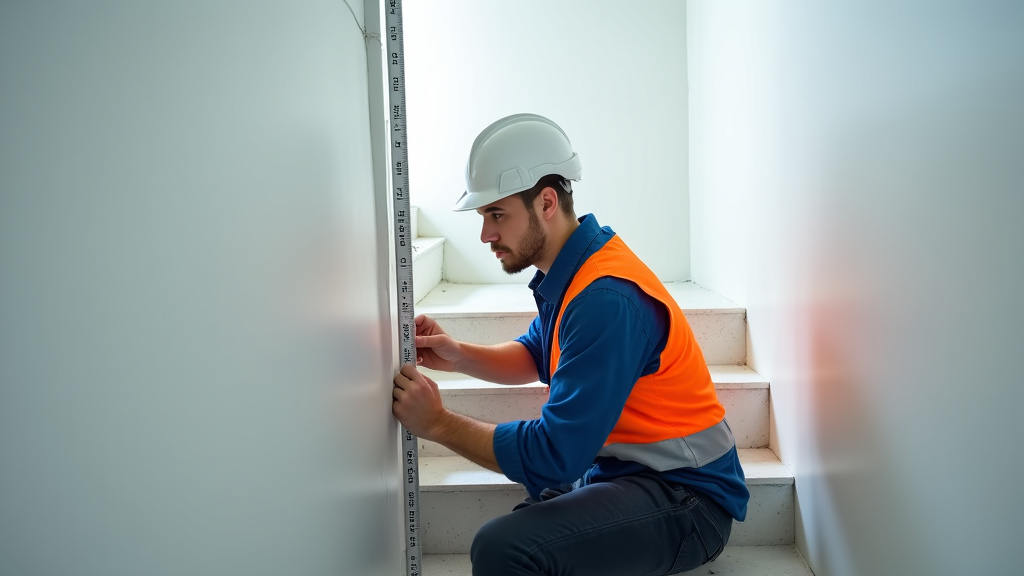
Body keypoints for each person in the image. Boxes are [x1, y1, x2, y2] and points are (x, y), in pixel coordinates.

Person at [392, 113, 749, 576]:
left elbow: (555, 455)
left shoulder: (604, 298)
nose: (486, 235)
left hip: (688, 497)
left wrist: (437, 423)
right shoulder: (576, 268)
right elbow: (538, 352)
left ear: (545, 202)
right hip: (623, 472)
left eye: (497, 214)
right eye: (484, 217)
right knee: (528, 530)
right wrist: (458, 355)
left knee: (504, 548)